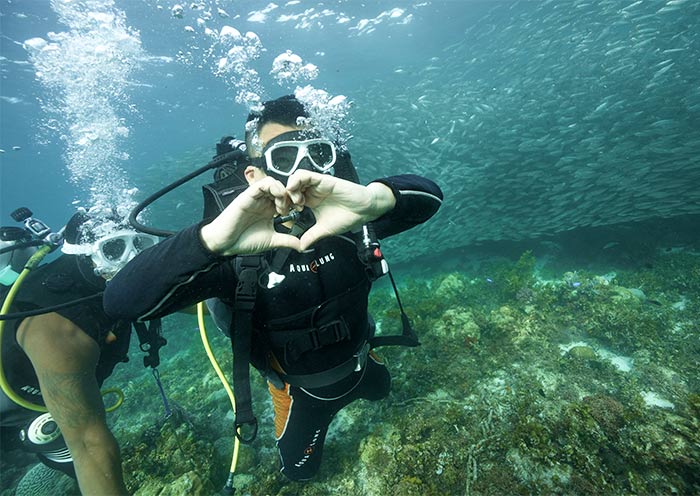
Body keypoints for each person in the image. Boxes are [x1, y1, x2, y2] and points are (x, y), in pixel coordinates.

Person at [103, 94, 443, 481]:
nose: (302, 172)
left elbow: (430, 197)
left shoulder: (351, 219)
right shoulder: (230, 252)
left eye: (316, 153)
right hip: (299, 395)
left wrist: (373, 199)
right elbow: (120, 301)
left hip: (363, 362)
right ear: (254, 174)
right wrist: (211, 242)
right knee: (299, 473)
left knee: (383, 392)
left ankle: (366, 374)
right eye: (282, 158)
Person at [0, 210, 160, 495]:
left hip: (44, 410)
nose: (133, 260)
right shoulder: (57, 329)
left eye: (140, 245)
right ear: (87, 255)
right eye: (114, 249)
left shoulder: (115, 283)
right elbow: (89, 444)